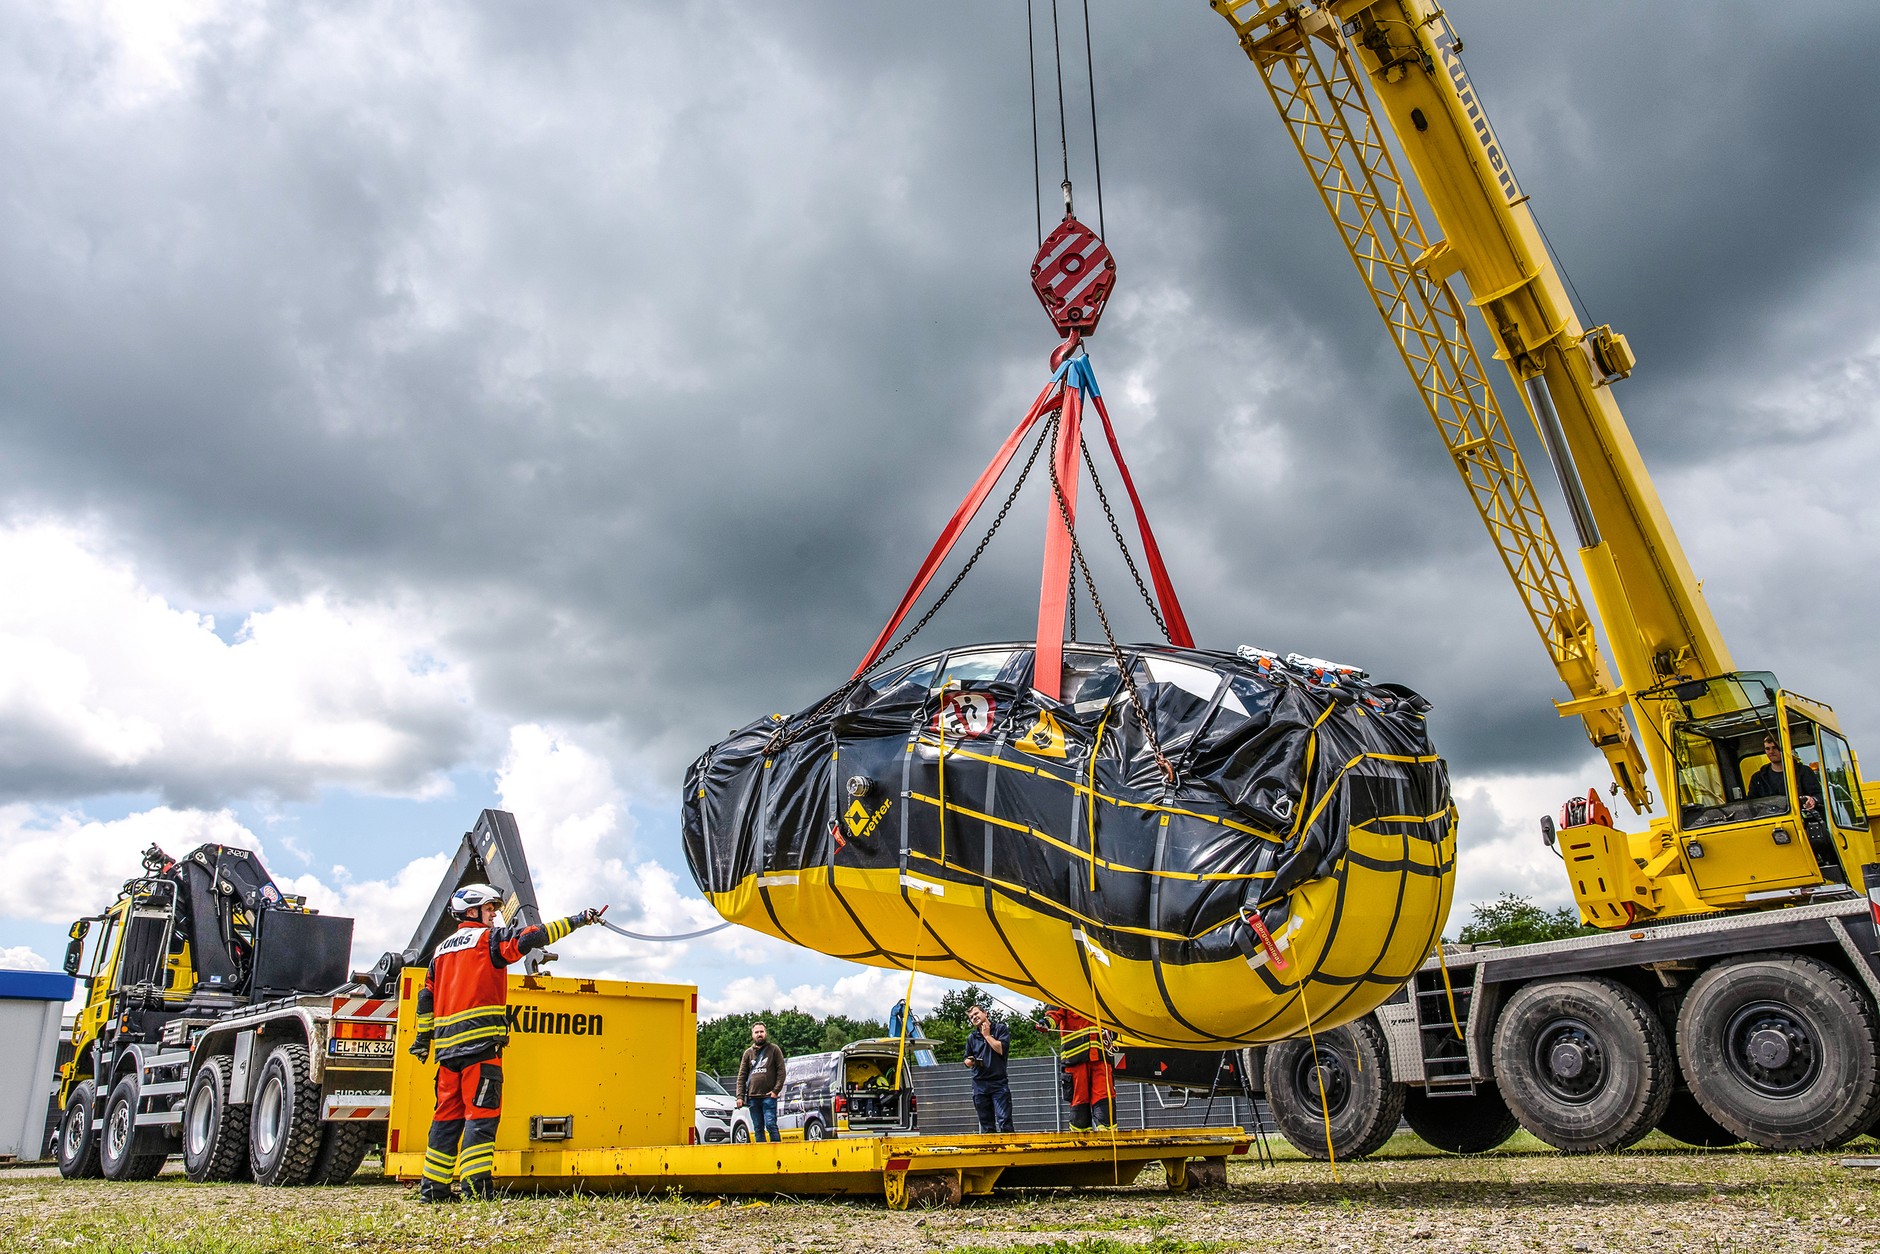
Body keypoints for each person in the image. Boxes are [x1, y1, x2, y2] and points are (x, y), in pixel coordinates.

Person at [408, 885, 605, 1202]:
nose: (495, 915)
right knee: (481, 1118)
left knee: (445, 1119)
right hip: (480, 1048)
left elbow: (425, 998)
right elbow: (532, 936)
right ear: (471, 911)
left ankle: (433, 1190)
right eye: (489, 909)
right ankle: (476, 1189)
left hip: (447, 1055)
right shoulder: (488, 941)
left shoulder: (440, 952)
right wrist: (579, 919)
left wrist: (422, 1039)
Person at [1045, 1005, 1113, 1131]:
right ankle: (1080, 1142)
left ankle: (1109, 1141)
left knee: (1104, 1100)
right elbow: (1054, 1013)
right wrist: (1046, 1023)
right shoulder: (1067, 992)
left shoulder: (1101, 990)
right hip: (1075, 1060)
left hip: (1100, 1058)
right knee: (1079, 1105)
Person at [963, 1003, 1015, 1133]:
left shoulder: (1000, 1029)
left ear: (985, 1013)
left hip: (998, 1082)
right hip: (979, 1084)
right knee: (986, 1124)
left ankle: (1010, 1149)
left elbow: (1001, 1049)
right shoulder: (972, 1037)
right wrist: (969, 1061)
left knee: (1005, 1121)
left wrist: (987, 1035)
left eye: (976, 1013)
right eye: (971, 1017)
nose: (974, 1017)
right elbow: (966, 1058)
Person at [736, 1022, 785, 1143]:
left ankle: (777, 1153)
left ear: (765, 1033)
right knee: (758, 1128)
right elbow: (741, 1076)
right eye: (756, 1032)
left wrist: (775, 1091)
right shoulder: (748, 1053)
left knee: (770, 1125)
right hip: (753, 1097)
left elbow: (781, 1072)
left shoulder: (774, 1050)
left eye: (761, 1032)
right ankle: (762, 1156)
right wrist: (740, 1096)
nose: (759, 1034)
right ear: (752, 1035)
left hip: (769, 1096)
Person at [1749, 732, 1821, 812]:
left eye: (1775, 747)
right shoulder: (1757, 778)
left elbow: (1820, 795)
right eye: (1768, 749)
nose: (1771, 751)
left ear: (1785, 748)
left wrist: (1812, 800)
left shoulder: (1803, 772)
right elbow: (1751, 804)